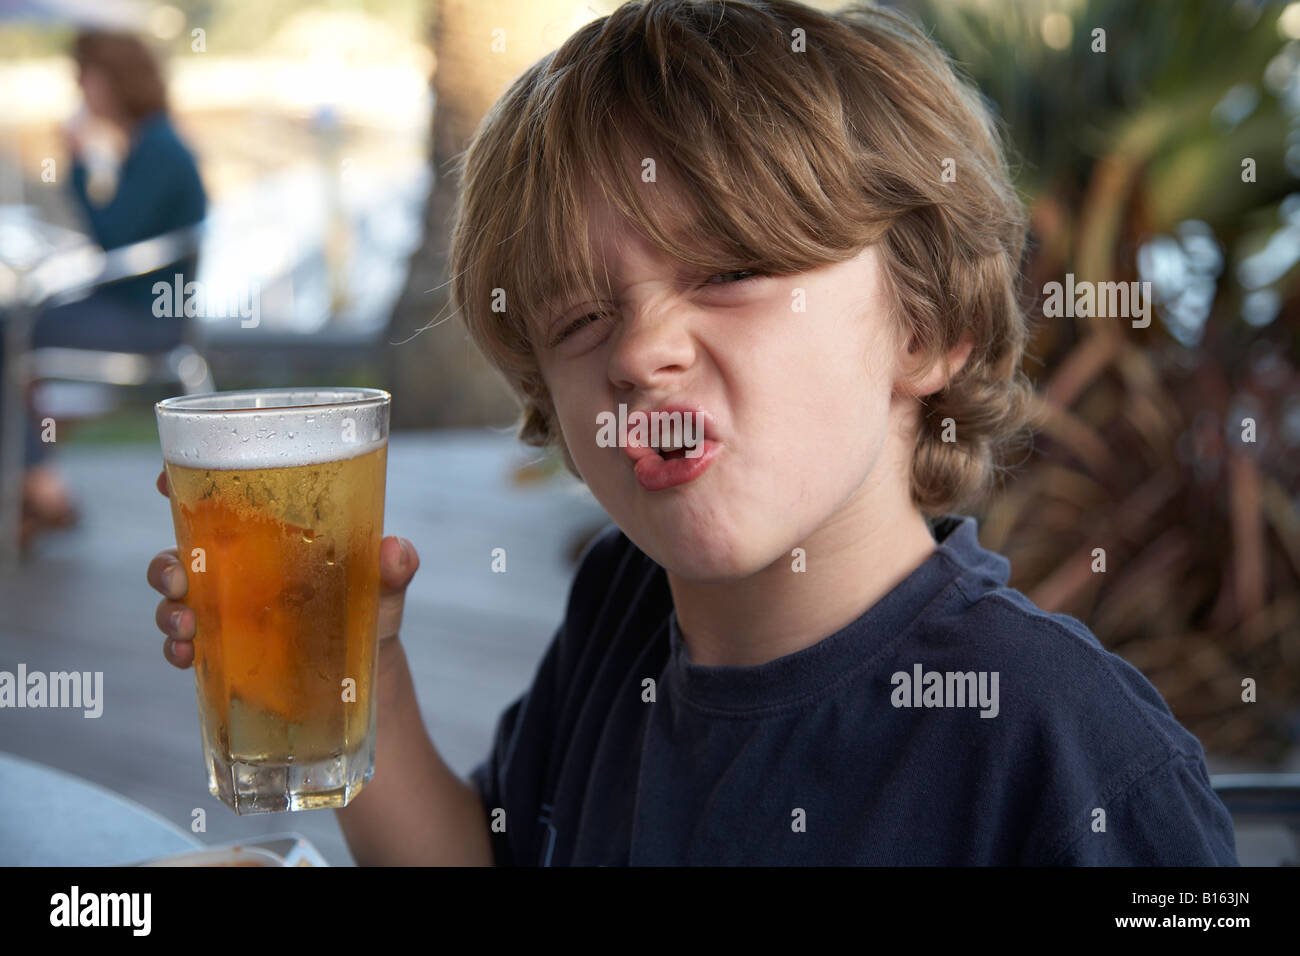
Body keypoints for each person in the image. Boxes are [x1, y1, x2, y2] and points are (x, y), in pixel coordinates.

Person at [148, 0, 1238, 864]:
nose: (639, 350)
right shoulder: (621, 611)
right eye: (578, 316)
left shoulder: (1066, 755)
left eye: (729, 271)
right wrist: (361, 669)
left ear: (930, 327)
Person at [11, 30, 206, 551]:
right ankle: (32, 486)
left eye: (84, 80)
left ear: (113, 82)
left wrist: (75, 160)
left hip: (146, 320)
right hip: (135, 307)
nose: (79, 92)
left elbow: (113, 237)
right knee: (22, 336)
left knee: (14, 336)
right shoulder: (154, 143)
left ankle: (39, 486)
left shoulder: (160, 149)